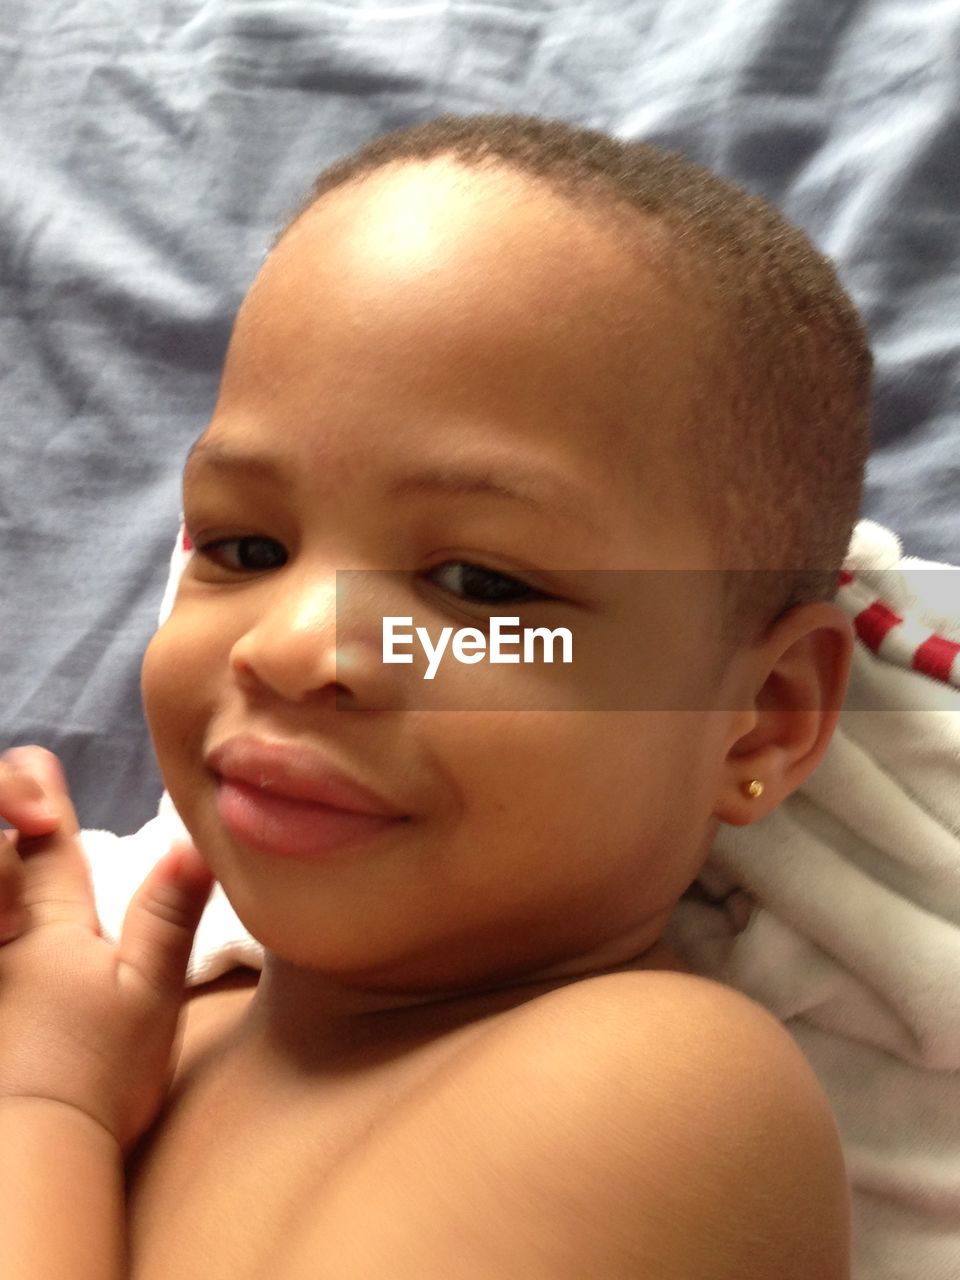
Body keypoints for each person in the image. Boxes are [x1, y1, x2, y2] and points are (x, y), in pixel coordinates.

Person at [0, 112, 863, 1278]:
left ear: (760, 714)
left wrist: (40, 1108)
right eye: (246, 546)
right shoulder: (139, 1029)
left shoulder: (650, 1087)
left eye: (480, 582)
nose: (299, 644)